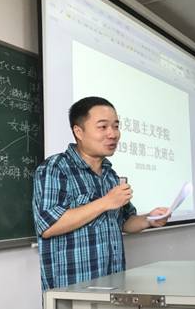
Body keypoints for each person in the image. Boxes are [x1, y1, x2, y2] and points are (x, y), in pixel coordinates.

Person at [32, 96, 170, 290]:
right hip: (73, 290)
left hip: (113, 284)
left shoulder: (110, 174)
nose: (112, 134)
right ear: (78, 132)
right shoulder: (55, 168)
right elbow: (48, 226)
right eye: (103, 127)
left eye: (116, 126)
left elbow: (124, 221)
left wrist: (149, 219)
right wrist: (105, 202)